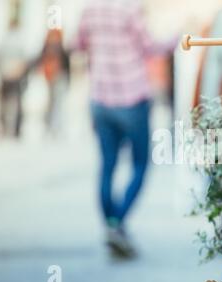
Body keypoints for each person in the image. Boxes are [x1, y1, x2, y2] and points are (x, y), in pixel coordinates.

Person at [74, 0, 176, 257]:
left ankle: (112, 226)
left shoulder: (90, 9)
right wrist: (176, 38)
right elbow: (150, 46)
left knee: (107, 165)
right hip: (132, 100)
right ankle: (116, 223)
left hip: (100, 99)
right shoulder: (130, 9)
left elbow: (78, 44)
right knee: (140, 164)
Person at [0, 16, 28, 138]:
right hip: (15, 75)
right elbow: (24, 59)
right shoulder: (20, 40)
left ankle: (4, 127)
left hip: (6, 74)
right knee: (16, 102)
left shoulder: (4, 39)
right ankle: (15, 130)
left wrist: (2, 71)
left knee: (5, 102)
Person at [38, 29, 70, 136]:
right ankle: (55, 126)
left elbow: (40, 59)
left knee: (51, 102)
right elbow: (66, 64)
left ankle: (49, 125)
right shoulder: (60, 46)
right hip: (59, 77)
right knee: (57, 103)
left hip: (50, 77)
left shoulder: (47, 45)